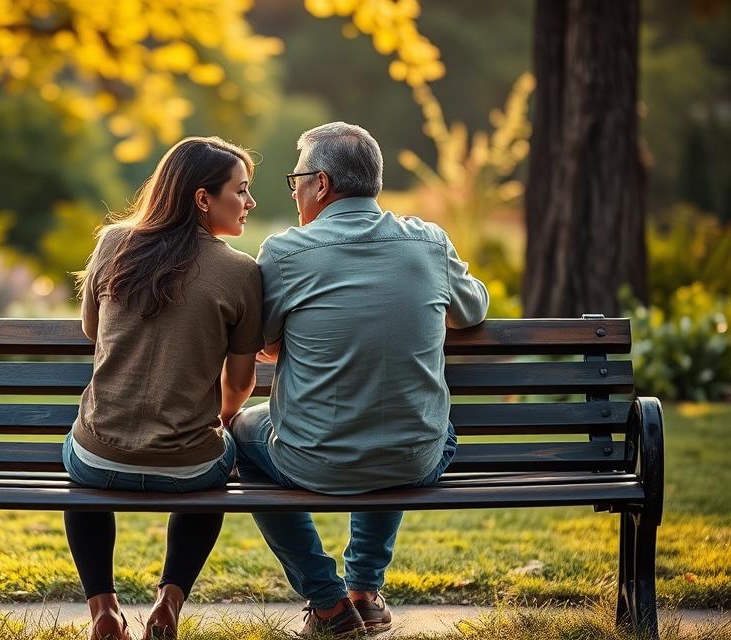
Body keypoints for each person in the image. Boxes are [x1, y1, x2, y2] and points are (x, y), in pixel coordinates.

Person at [229, 122, 489, 637]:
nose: (295, 190)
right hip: (418, 458)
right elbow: (473, 308)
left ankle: (327, 601)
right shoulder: (429, 242)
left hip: (311, 460)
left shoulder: (284, 253)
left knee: (239, 432)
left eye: (295, 179)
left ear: (320, 184)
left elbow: (264, 343)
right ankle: (365, 591)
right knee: (396, 416)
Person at [64, 137, 263, 640]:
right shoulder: (241, 273)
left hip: (97, 459)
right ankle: (169, 602)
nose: (249, 202)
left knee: (82, 474)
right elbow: (240, 384)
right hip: (189, 469)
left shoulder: (113, 243)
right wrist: (211, 420)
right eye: (240, 191)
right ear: (203, 199)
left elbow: (92, 330)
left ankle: (105, 612)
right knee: (221, 463)